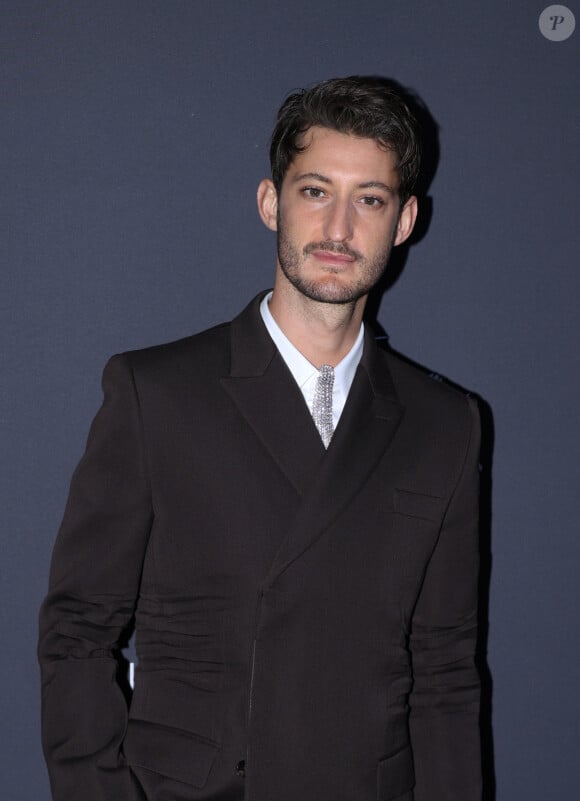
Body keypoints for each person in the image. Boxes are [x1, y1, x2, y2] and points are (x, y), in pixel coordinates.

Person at [38, 76, 482, 801]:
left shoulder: (444, 425)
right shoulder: (160, 393)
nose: (339, 229)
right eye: (315, 191)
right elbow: (77, 632)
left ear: (403, 220)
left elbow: (445, 668)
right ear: (270, 202)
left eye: (368, 199)